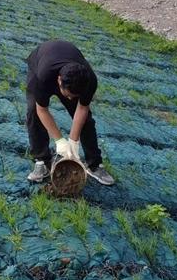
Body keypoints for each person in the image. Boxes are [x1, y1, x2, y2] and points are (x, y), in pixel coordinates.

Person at [25, 40, 114, 185]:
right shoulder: (43, 77)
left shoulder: (89, 81)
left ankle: (94, 164)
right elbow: (42, 110)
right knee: (33, 112)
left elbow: (82, 108)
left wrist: (73, 142)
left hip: (67, 63)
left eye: (74, 96)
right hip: (40, 61)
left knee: (86, 120)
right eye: (68, 95)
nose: (70, 99)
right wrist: (60, 141)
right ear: (59, 81)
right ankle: (41, 160)